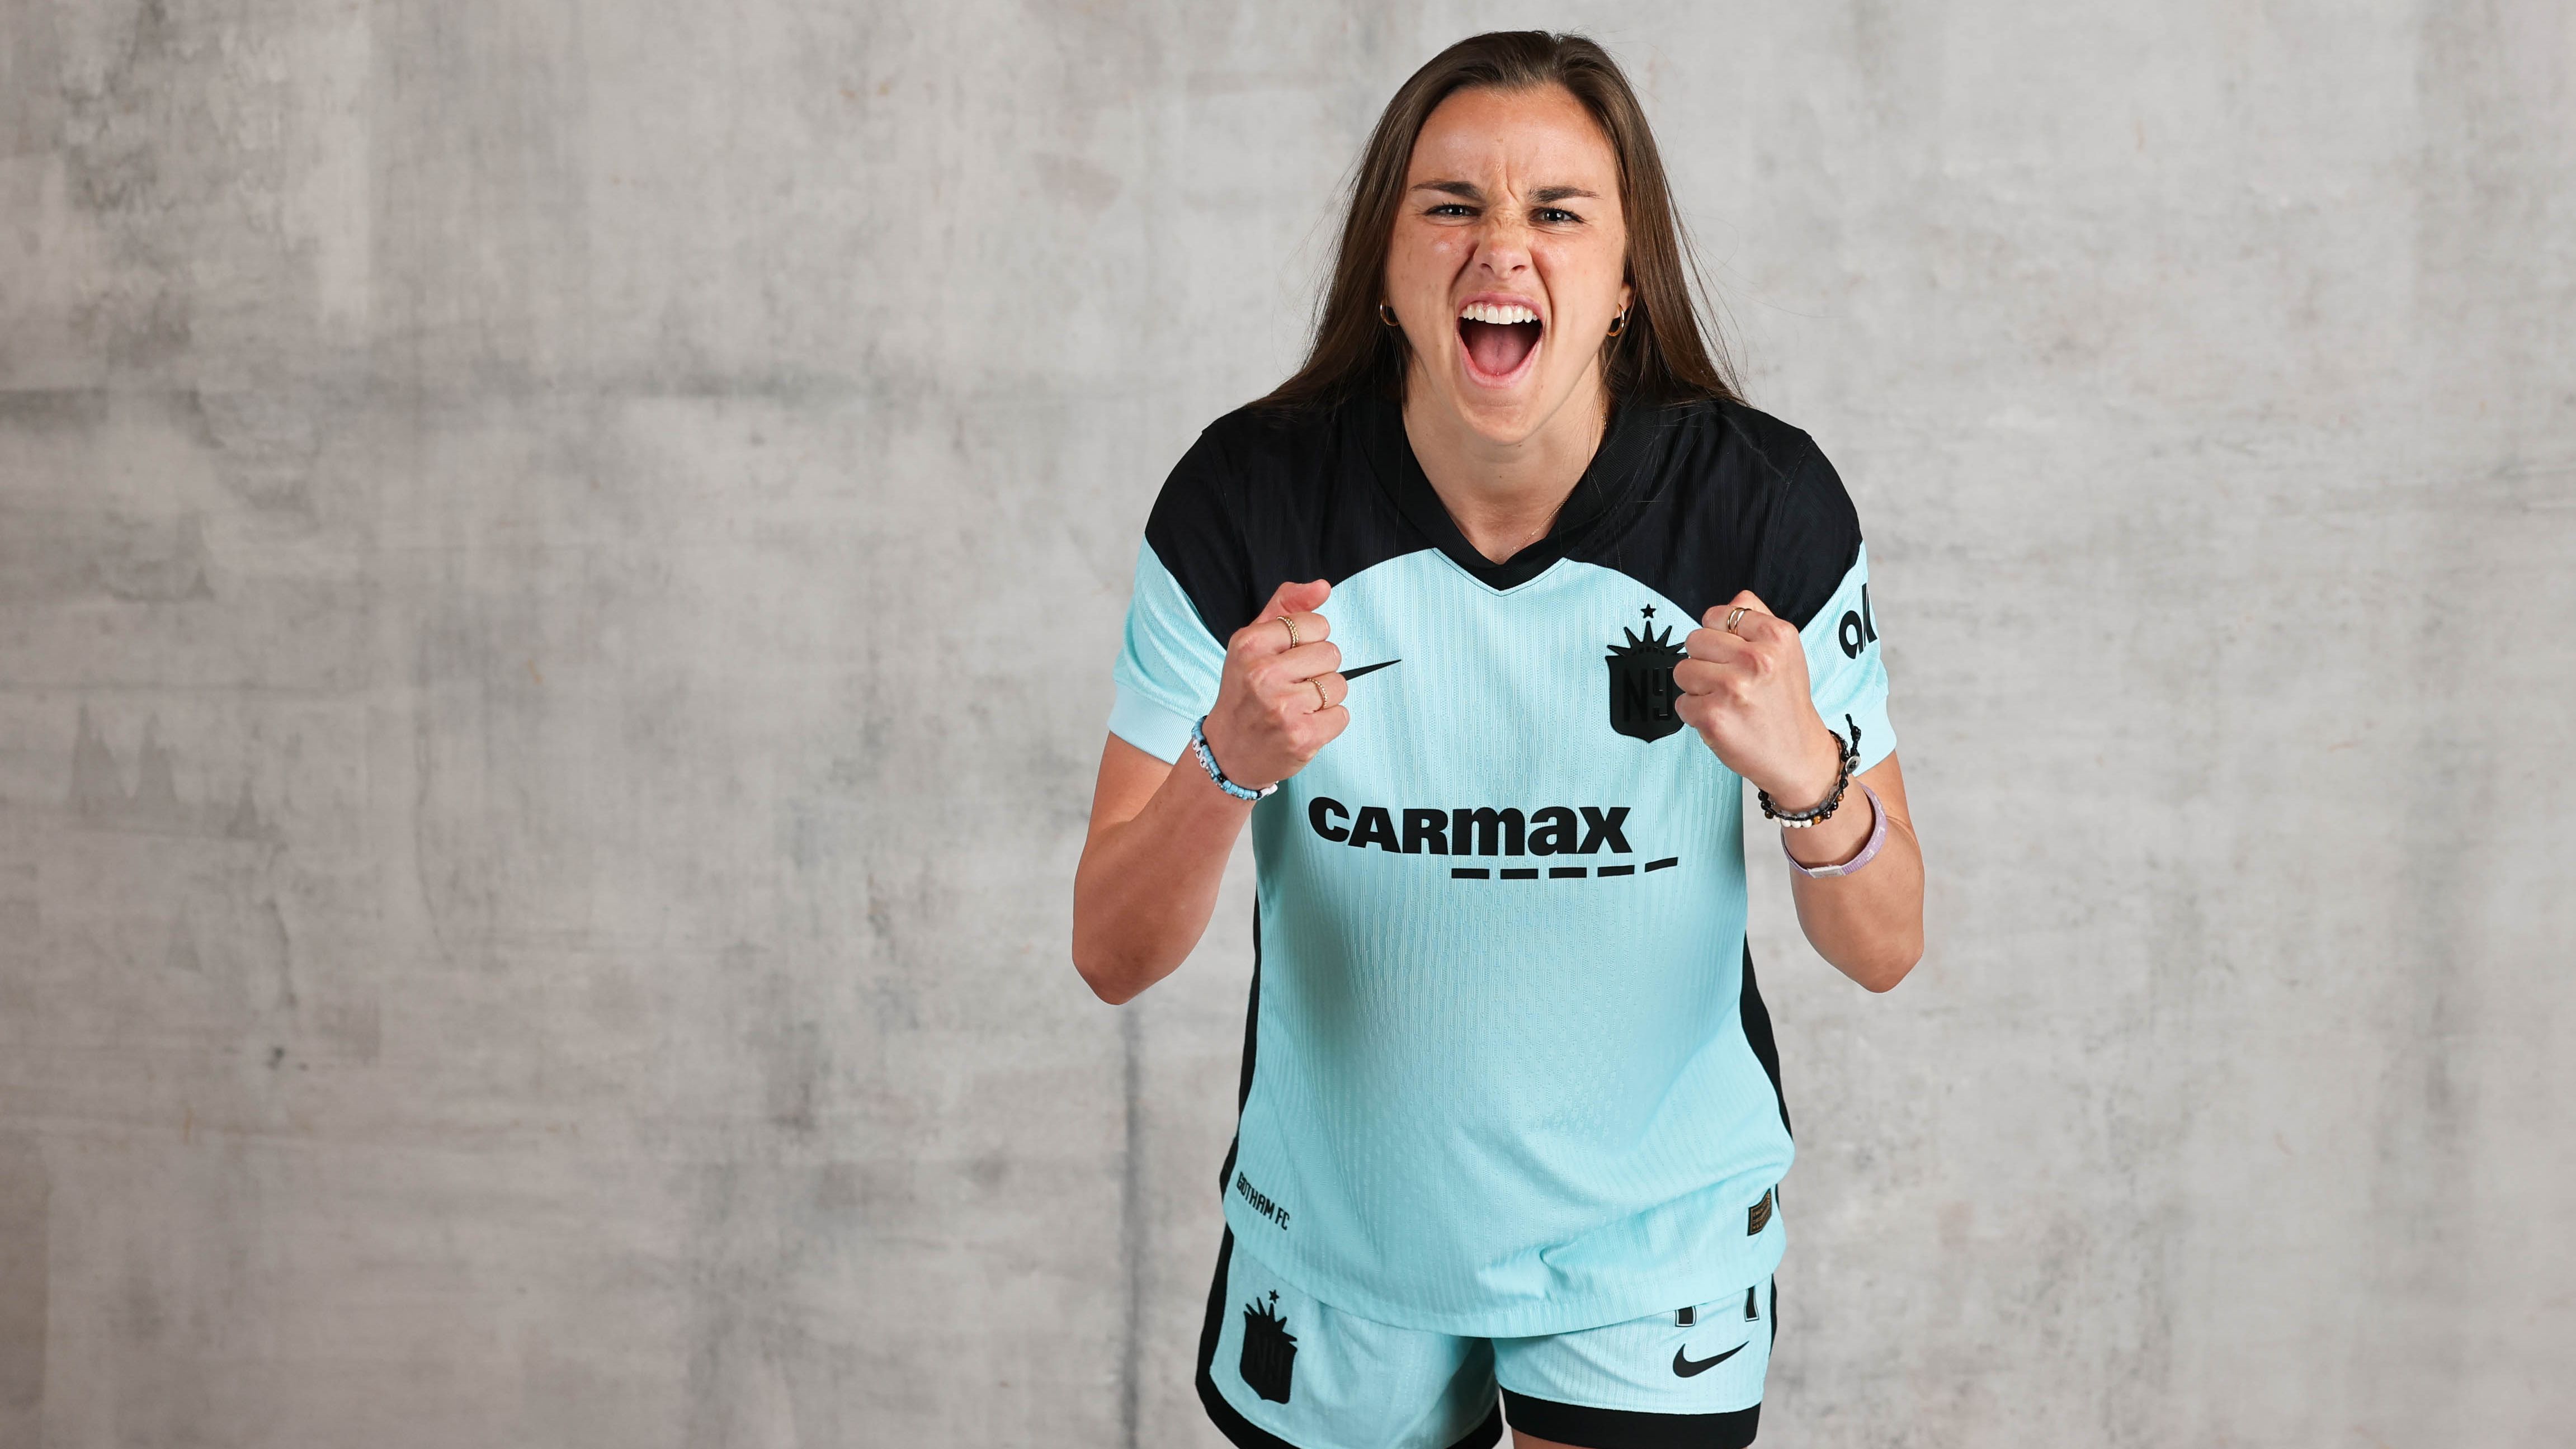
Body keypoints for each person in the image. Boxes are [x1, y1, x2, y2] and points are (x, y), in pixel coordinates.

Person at [1072, 31, 1924, 1449]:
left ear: (1625, 278)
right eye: (1451, 204)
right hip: (1338, 1234)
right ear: (1386, 259)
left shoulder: (1758, 505)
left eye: (1557, 211)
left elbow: (1885, 945)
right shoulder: (1245, 497)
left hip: (1651, 1237)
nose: (1501, 248)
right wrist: (1223, 762)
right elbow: (1111, 951)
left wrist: (1807, 778)